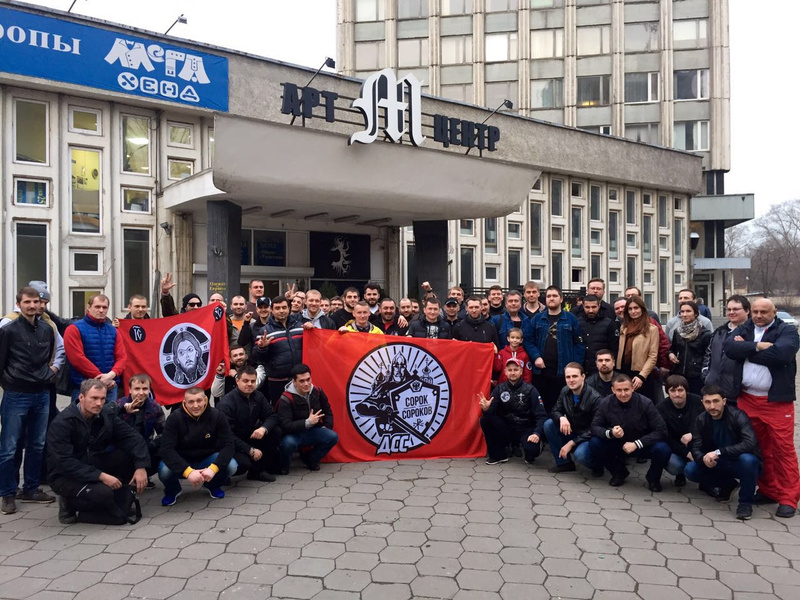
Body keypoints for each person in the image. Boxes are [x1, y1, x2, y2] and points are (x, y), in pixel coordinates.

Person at [723, 297, 800, 518]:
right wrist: (756, 346)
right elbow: (729, 348)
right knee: (757, 448)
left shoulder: (787, 331)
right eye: (755, 311)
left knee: (783, 450)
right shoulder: (746, 327)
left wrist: (746, 349)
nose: (758, 315)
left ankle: (788, 498)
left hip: (776, 402)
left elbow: (782, 354)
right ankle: (769, 489)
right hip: (747, 399)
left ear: (774, 312)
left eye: (763, 312)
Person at [48, 379, 149, 524]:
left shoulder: (105, 414)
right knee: (104, 494)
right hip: (64, 474)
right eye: (94, 398)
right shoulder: (63, 423)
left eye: (102, 399)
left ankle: (114, 503)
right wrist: (101, 476)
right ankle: (69, 504)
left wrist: (141, 466)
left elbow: (133, 438)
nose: (99, 403)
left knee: (126, 457)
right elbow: (64, 462)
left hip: (91, 461)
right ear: (81, 397)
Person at [0, 287, 59, 513]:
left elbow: (49, 357)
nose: (33, 306)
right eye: (28, 302)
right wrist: (10, 383)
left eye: (36, 302)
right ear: (19, 304)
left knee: (37, 444)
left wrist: (50, 373)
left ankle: (31, 489)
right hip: (16, 394)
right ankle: (7, 493)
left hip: (42, 393)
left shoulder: (46, 329)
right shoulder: (8, 330)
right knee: (9, 446)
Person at [685, 385, 762, 520]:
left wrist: (719, 452)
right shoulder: (701, 419)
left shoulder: (738, 415)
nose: (712, 406)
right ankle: (728, 484)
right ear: (702, 403)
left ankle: (745, 503)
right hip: (719, 462)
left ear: (724, 401)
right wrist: (703, 458)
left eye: (716, 401)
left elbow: (749, 442)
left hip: (741, 462)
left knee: (748, 460)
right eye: (708, 402)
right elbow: (696, 447)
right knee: (690, 470)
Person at [589, 374, 670, 490]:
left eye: (626, 389)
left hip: (642, 444)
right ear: (613, 390)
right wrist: (610, 433)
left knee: (663, 449)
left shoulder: (646, 403)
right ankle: (618, 473)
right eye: (619, 390)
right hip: (617, 443)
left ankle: (653, 479)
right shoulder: (605, 402)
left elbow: (662, 430)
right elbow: (595, 426)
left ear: (632, 388)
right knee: (595, 443)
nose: (623, 394)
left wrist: (637, 444)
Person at [158, 388, 237, 505]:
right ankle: (173, 490)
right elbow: (166, 449)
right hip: (182, 459)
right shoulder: (174, 418)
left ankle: (212, 485)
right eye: (191, 402)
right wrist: (188, 472)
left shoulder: (218, 416)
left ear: (205, 400)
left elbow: (228, 445)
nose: (196, 405)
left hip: (207, 459)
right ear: (184, 403)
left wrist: (213, 469)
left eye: (199, 401)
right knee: (164, 470)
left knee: (232, 465)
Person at [522, 286, 585, 415]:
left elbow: (579, 344)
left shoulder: (571, 319)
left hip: (563, 373)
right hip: (541, 373)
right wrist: (536, 356)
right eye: (549, 296)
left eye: (555, 296)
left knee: (562, 408)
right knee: (541, 408)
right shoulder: (537, 319)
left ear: (561, 299)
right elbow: (528, 340)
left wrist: (575, 366)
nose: (551, 298)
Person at [478, 358, 547, 466]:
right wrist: (486, 409)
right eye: (510, 370)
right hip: (507, 428)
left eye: (515, 370)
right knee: (485, 420)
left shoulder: (531, 390)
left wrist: (537, 433)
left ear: (521, 371)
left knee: (532, 450)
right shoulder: (499, 389)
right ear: (505, 372)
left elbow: (541, 416)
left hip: (525, 428)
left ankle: (533, 451)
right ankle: (499, 455)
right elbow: (491, 414)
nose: (513, 373)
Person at [217, 366, 279, 482]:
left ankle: (257, 471)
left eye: (253, 381)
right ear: (237, 381)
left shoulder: (258, 396)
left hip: (249, 434)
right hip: (230, 442)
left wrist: (263, 428)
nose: (250, 384)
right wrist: (250, 450)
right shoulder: (227, 403)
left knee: (275, 431)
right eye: (245, 381)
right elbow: (227, 435)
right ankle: (221, 475)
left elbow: (272, 416)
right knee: (242, 464)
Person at [64, 294, 126, 404]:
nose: (101, 310)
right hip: (84, 388)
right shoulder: (73, 329)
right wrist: (102, 379)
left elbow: (122, 357)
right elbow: (77, 359)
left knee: (109, 415)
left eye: (104, 307)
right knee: (81, 415)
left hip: (110, 388)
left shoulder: (113, 331)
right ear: (88, 307)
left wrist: (112, 374)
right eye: (97, 307)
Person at [276, 364, 338, 473]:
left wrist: (326, 426)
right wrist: (307, 422)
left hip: (312, 431)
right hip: (293, 434)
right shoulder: (286, 399)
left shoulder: (317, 391)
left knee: (332, 436)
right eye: (302, 381)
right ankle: (283, 466)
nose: (306, 384)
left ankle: (310, 459)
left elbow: (327, 411)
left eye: (308, 379)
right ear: (294, 382)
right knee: (288, 444)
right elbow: (285, 426)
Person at [544, 363, 603, 475]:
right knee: (549, 424)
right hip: (572, 431)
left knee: (580, 455)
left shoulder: (595, 398)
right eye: (568, 377)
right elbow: (555, 410)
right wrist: (561, 418)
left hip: (588, 437)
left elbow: (596, 428)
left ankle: (597, 465)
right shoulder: (565, 391)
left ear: (583, 377)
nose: (571, 380)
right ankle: (564, 463)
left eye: (575, 376)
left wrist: (572, 443)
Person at [250, 296, 306, 403]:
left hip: (299, 379)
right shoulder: (264, 331)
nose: (281, 311)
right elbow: (256, 357)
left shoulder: (300, 327)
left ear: (289, 308)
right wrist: (261, 348)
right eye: (277, 308)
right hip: (277, 382)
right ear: (271, 310)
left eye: (284, 307)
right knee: (279, 409)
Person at [115, 374, 165, 486]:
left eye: (145, 389)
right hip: (123, 448)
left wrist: (151, 445)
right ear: (130, 389)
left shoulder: (155, 407)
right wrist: (122, 410)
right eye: (137, 389)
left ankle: (145, 475)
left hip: (146, 445)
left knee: (164, 449)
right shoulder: (119, 404)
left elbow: (164, 432)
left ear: (149, 390)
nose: (141, 392)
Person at [656, 375, 704, 487]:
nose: (677, 394)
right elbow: (666, 437)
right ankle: (680, 474)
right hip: (676, 447)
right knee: (675, 465)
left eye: (680, 390)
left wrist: (693, 435)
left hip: (699, 444)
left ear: (686, 391)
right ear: (667, 392)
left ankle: (706, 482)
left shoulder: (699, 402)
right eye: (672, 391)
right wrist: (686, 453)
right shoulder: (661, 408)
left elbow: (708, 425)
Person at [703, 295, 751, 401]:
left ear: (747, 311)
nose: (731, 312)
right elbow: (708, 354)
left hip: (739, 393)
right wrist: (706, 374)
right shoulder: (719, 331)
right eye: (729, 309)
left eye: (736, 309)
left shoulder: (753, 334)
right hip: (714, 389)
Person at [616, 296, 659, 402]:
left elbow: (653, 356)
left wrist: (642, 376)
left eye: (636, 308)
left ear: (642, 309)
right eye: (630, 309)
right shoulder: (624, 327)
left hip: (641, 374)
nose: (633, 311)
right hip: (623, 372)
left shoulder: (652, 329)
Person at [668, 301, 712, 395]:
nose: (685, 314)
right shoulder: (677, 332)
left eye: (688, 311)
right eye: (682, 311)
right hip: (679, 374)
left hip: (697, 376)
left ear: (695, 313)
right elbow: (672, 349)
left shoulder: (705, 334)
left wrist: (704, 373)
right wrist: (671, 354)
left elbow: (709, 356)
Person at [577, 294, 618, 374]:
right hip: (582, 368)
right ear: (583, 307)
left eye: (594, 307)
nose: (591, 310)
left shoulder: (609, 324)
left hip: (602, 369)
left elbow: (614, 349)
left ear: (599, 306)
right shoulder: (577, 323)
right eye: (587, 307)